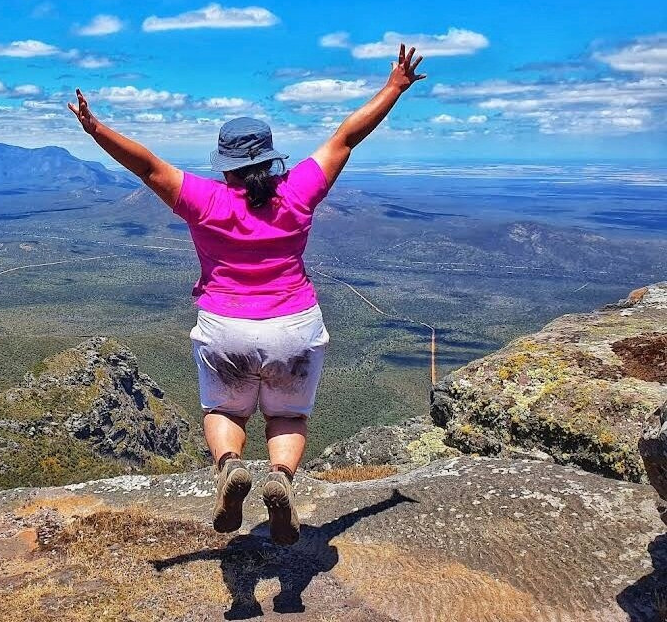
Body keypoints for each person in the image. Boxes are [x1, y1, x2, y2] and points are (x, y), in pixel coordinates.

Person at [67, 44, 426, 545]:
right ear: (270, 157)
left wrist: (96, 129)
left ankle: (232, 467)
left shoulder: (206, 199)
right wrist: (394, 87)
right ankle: (279, 477)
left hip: (225, 326)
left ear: (227, 165)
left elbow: (147, 167)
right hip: (295, 324)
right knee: (287, 415)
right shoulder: (298, 190)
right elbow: (347, 137)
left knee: (225, 413)